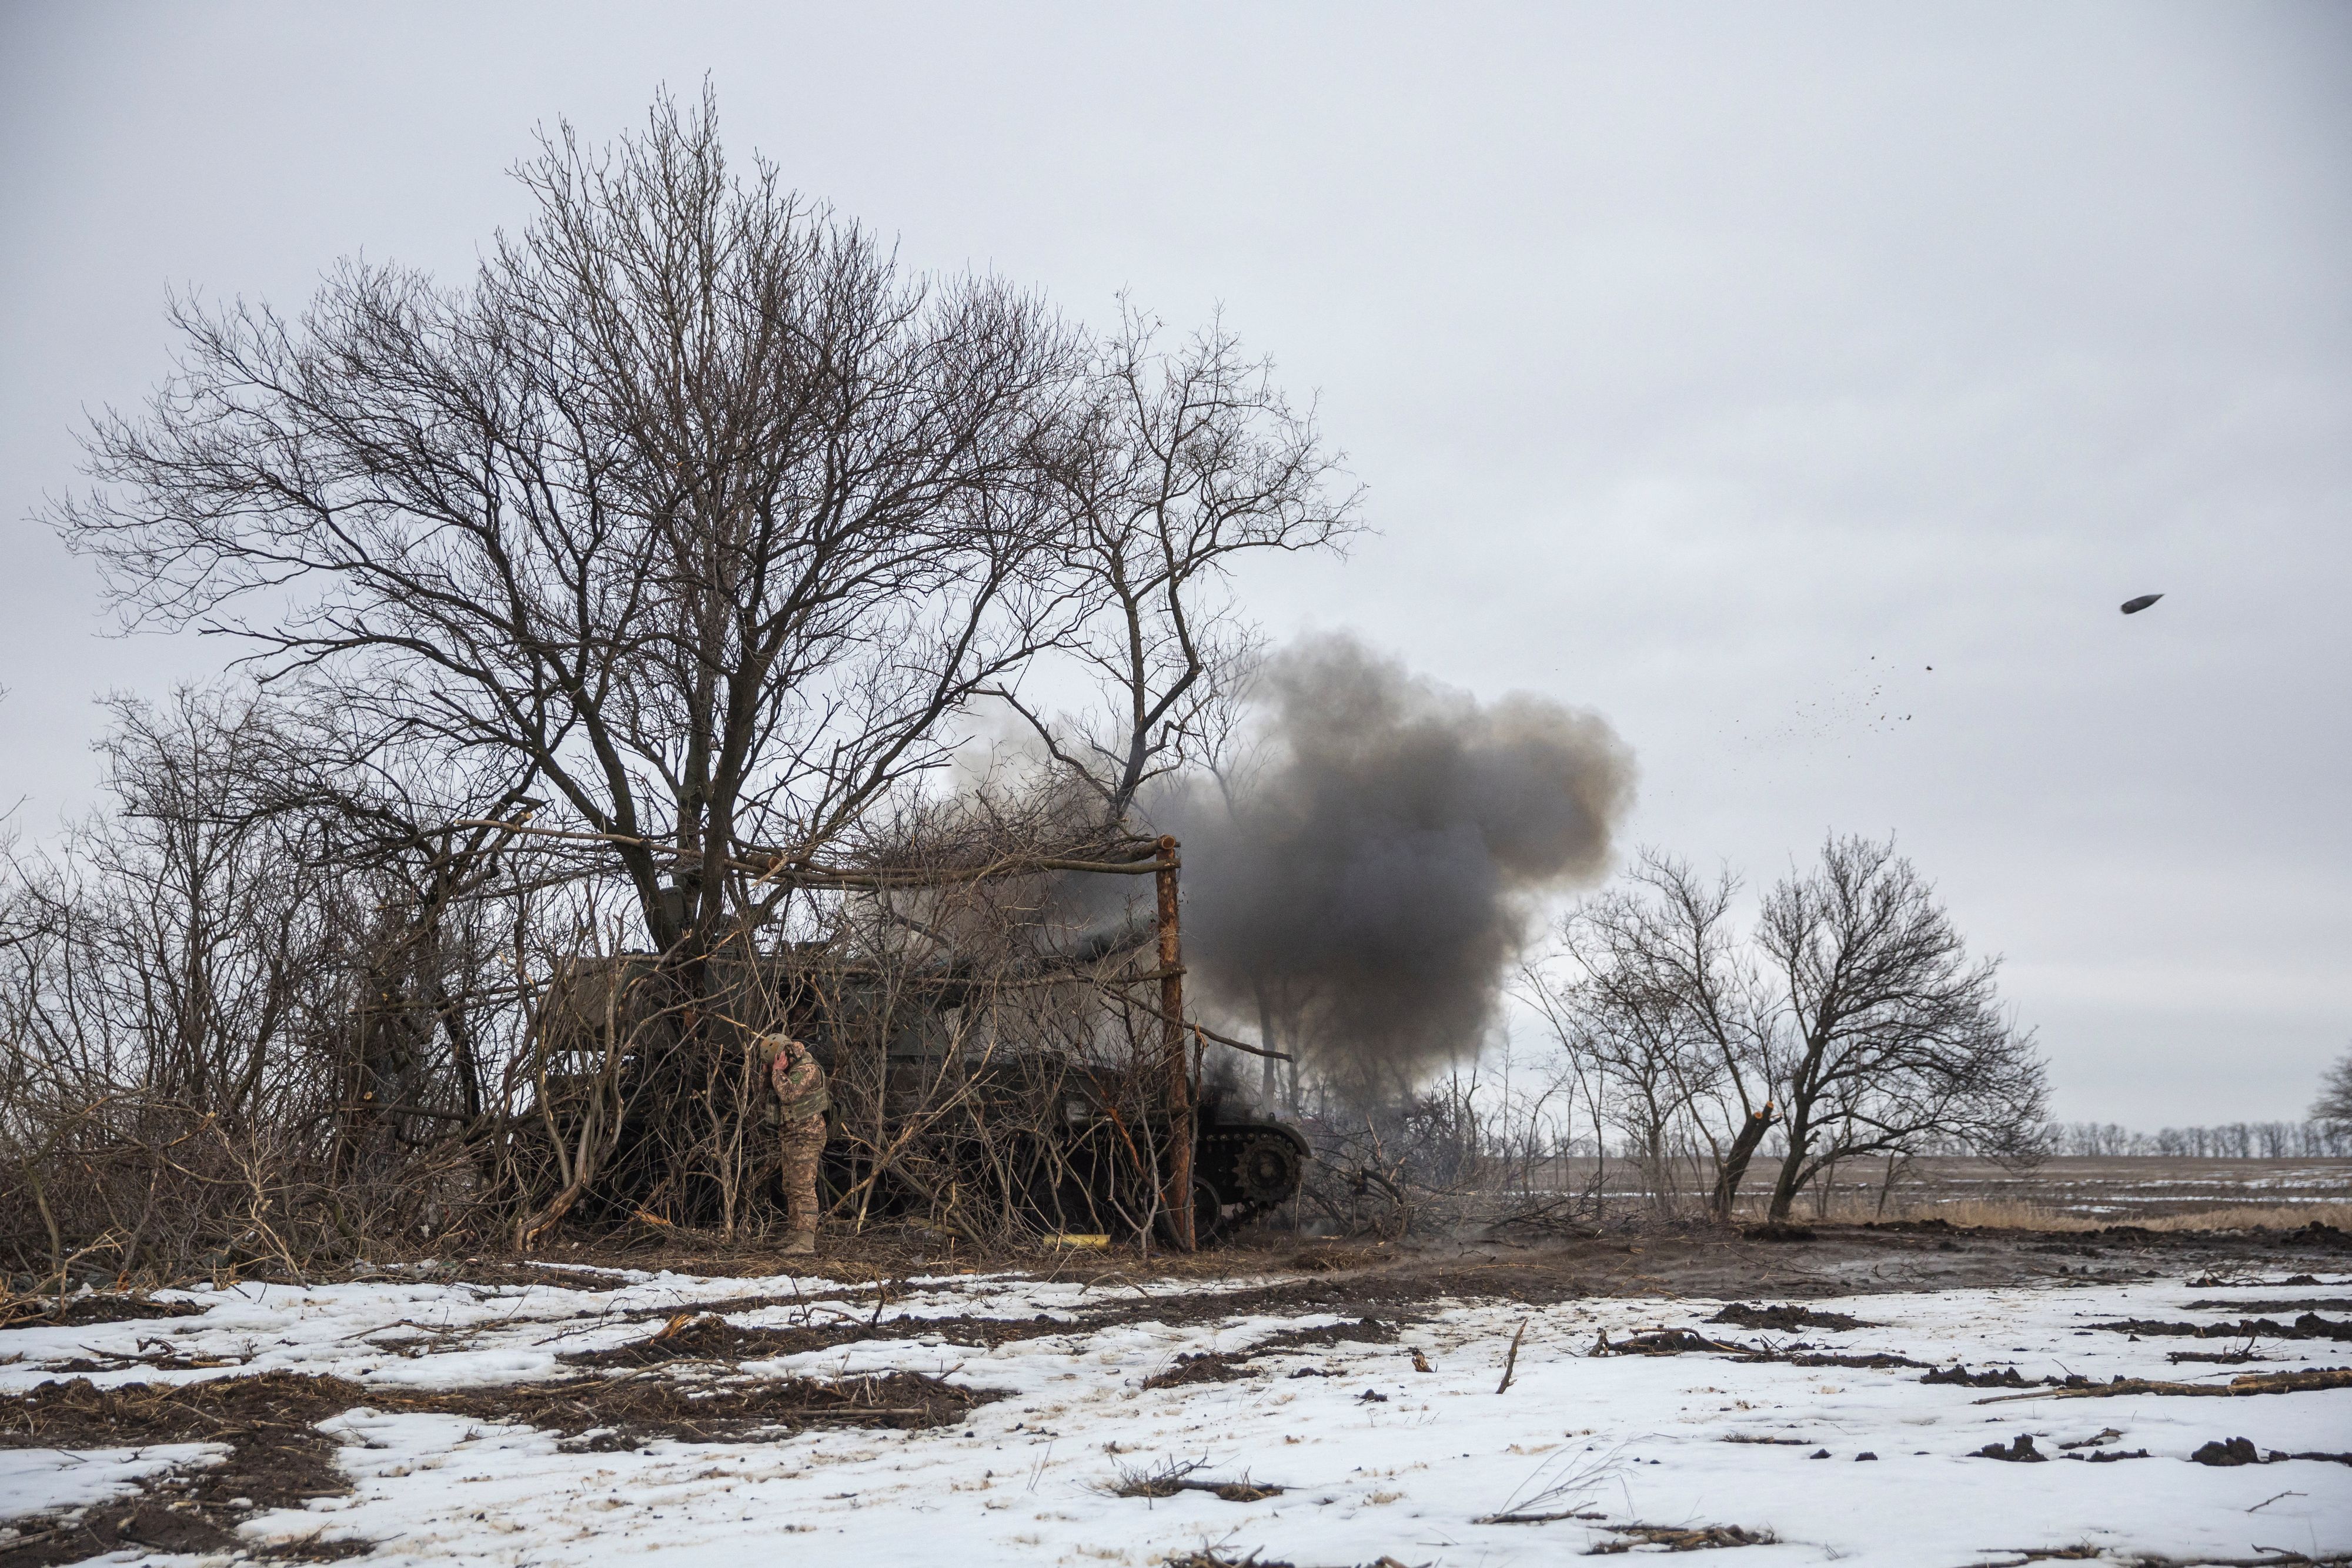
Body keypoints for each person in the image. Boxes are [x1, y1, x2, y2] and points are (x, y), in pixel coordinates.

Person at [760, 1033, 831, 1255]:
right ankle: (795, 1231)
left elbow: (788, 1094)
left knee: (803, 1189)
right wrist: (767, 1074)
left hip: (806, 1137)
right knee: (790, 1185)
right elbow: (765, 1094)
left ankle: (806, 1240)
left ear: (785, 1055)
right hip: (791, 1136)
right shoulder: (785, 1069)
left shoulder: (806, 1069)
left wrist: (777, 1072)